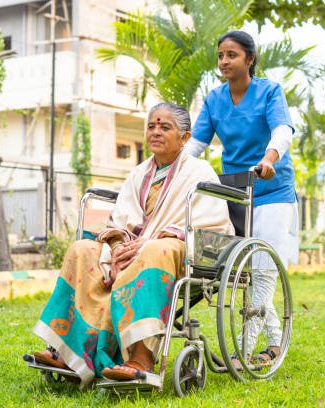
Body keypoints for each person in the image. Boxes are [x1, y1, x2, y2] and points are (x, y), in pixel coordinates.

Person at [29, 103, 233, 388]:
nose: (156, 132)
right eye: (151, 126)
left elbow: (210, 221)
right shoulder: (138, 173)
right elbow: (120, 220)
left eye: (165, 127)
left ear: (185, 137)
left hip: (175, 248)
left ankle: (141, 358)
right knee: (82, 249)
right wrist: (116, 246)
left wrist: (148, 242)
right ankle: (70, 353)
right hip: (134, 245)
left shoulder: (200, 173)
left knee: (153, 251)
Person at [184, 30, 298, 367]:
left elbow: (282, 130)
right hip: (234, 191)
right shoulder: (214, 99)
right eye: (220, 55)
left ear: (249, 59)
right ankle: (276, 342)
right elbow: (195, 145)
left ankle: (244, 351)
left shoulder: (269, 91)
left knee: (263, 270)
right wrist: (172, 169)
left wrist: (269, 159)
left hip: (272, 188)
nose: (223, 62)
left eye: (231, 55)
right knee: (245, 271)